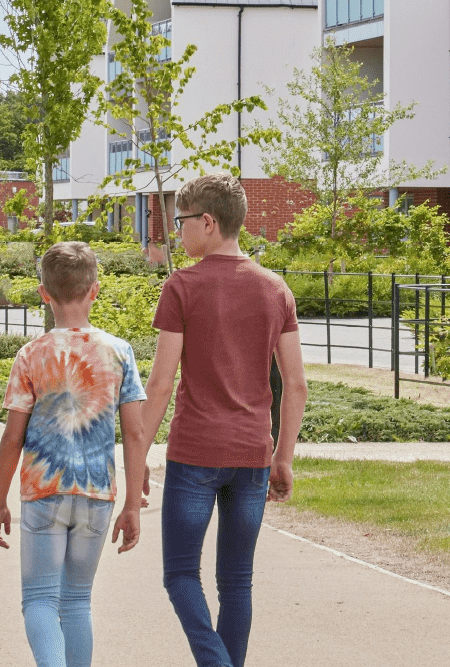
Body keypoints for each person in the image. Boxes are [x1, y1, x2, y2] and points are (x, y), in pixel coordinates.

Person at [140, 175, 309, 667]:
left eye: (181, 221)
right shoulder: (275, 288)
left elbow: (160, 384)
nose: (177, 232)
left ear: (208, 222)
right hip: (252, 456)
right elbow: (296, 385)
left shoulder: (181, 286)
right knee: (237, 583)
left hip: (195, 453)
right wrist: (283, 458)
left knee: (180, 575)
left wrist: (136, 454)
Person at [0, 241, 148, 667]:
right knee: (77, 601)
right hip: (97, 494)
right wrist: (132, 504)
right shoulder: (119, 352)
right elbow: (135, 434)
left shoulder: (31, 354)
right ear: (95, 290)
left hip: (44, 492)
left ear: (43, 293)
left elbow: (12, 438)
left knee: (40, 599)